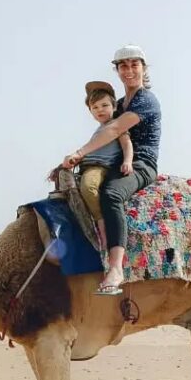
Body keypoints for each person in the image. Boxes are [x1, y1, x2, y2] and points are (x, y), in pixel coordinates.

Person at [56, 45, 161, 295]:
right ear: (117, 70)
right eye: (123, 66)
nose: (129, 70)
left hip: (141, 163)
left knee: (111, 194)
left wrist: (79, 152)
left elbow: (113, 131)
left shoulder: (146, 100)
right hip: (112, 164)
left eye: (134, 65)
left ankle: (116, 268)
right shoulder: (121, 104)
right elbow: (103, 133)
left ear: (143, 68)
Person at [77, 81, 133, 252]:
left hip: (99, 167)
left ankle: (101, 224)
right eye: (95, 107)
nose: (100, 110)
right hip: (86, 165)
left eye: (104, 105)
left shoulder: (116, 125)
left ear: (114, 107)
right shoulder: (99, 130)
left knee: (88, 187)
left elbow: (127, 144)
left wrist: (127, 161)